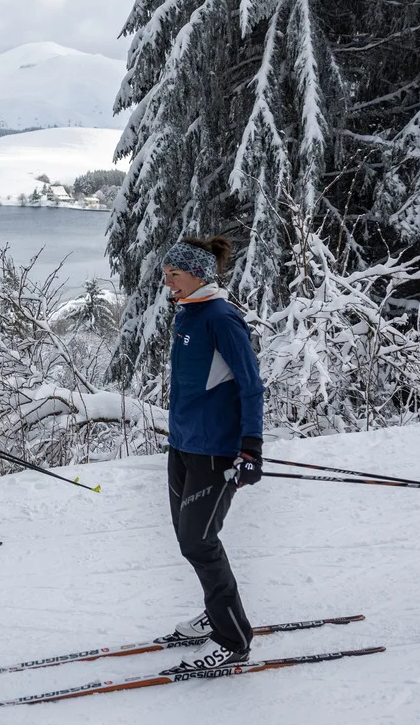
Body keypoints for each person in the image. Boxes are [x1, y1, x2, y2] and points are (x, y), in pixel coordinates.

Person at [157, 235, 265, 673]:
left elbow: (252, 385)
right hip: (183, 446)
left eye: (175, 275)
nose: (168, 284)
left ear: (198, 274)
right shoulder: (187, 315)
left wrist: (251, 448)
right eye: (165, 275)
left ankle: (232, 638)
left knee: (200, 542)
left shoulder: (221, 317)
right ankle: (214, 614)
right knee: (192, 541)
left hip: (217, 454)